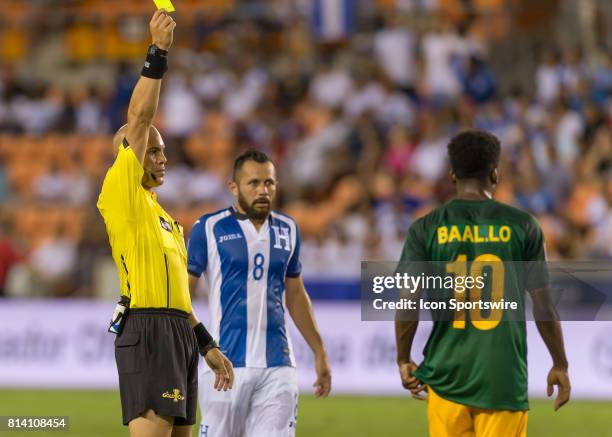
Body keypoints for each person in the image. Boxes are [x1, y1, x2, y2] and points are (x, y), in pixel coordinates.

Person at [96, 10, 234, 437]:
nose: (162, 158)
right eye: (153, 151)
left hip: (177, 333)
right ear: (130, 154)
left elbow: (178, 296)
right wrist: (157, 52)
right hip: (148, 331)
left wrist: (205, 344)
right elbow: (138, 120)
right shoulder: (122, 193)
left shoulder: (163, 217)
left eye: (163, 150)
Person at [395, 130, 571, 437]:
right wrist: (560, 364)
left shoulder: (425, 228)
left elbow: (408, 302)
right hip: (502, 377)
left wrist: (403, 358)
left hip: (446, 375)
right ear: (495, 173)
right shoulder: (524, 226)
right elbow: (544, 305)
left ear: (451, 174)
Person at [187, 149, 332, 437]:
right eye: (253, 183)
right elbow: (182, 295)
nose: (263, 190)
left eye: (269, 183)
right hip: (224, 364)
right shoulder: (209, 228)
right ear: (233, 187)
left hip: (278, 366)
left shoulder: (288, 229)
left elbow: (295, 295)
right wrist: (196, 347)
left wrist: (320, 351)